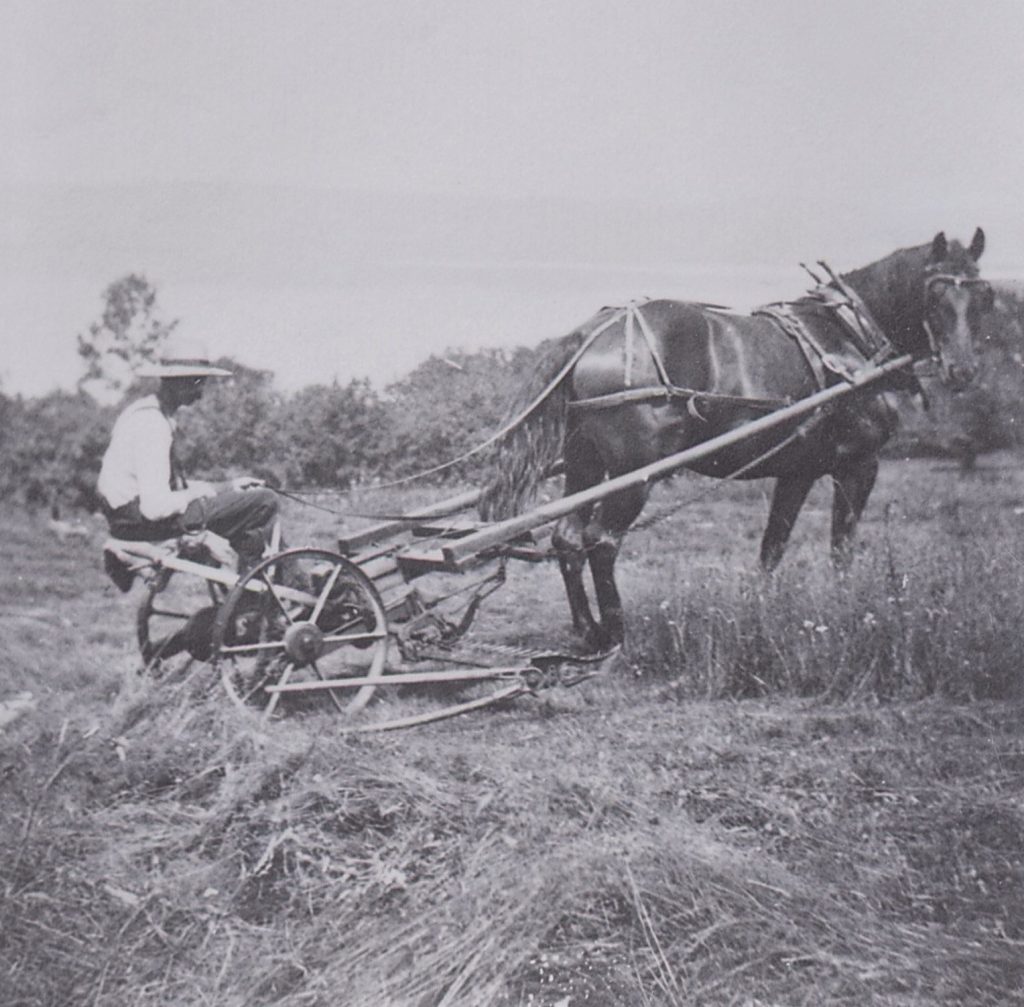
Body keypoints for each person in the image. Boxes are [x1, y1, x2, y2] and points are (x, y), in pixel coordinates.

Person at [98, 337, 280, 573]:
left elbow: (165, 487)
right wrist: (196, 494)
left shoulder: (146, 413)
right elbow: (155, 507)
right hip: (139, 521)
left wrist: (230, 486)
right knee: (265, 500)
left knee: (250, 500)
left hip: (126, 517)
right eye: (196, 383)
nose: (200, 393)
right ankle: (259, 594)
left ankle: (268, 587)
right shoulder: (152, 424)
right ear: (175, 382)